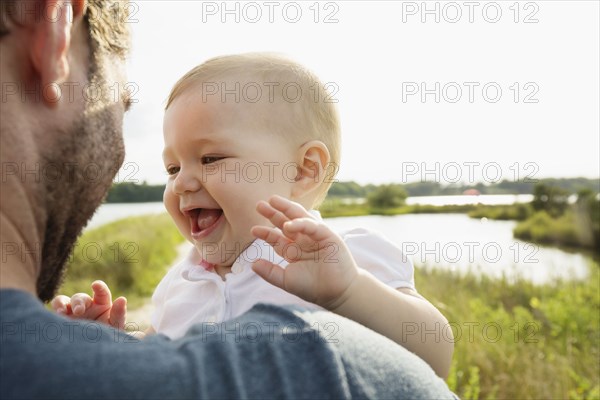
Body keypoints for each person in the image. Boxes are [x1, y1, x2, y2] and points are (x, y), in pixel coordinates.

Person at [0, 1, 457, 398]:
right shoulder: (181, 284)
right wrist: (109, 349)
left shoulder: (343, 256)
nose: (182, 184)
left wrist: (350, 292)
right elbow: (166, 363)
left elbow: (433, 355)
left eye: (211, 158)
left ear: (304, 170)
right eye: (173, 168)